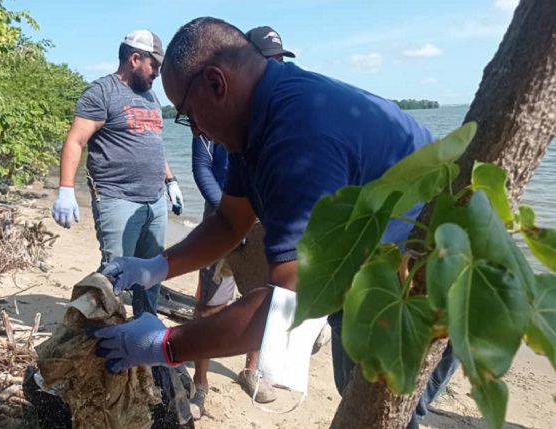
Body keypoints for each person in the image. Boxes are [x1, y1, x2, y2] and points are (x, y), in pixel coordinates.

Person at [89, 18, 458, 428]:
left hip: (422, 285)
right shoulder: (256, 120)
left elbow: (289, 303)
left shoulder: (297, 138)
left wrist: (167, 344)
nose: (194, 129)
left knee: (382, 414)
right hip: (356, 277)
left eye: (189, 114)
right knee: (351, 391)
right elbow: (231, 221)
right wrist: (156, 266)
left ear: (216, 82)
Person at [188, 25, 296, 419]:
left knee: (261, 297)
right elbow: (202, 170)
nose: (277, 68)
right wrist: (232, 215)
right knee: (210, 304)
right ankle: (199, 382)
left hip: (264, 225)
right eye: (271, 61)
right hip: (221, 220)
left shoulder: (280, 115)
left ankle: (252, 371)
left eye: (281, 61)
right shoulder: (215, 106)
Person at [51, 30, 184, 317]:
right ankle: (102, 334)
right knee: (116, 272)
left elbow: (154, 143)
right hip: (117, 198)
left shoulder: (150, 97)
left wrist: (170, 180)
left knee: (152, 273)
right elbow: (75, 141)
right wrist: (65, 189)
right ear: (135, 58)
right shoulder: (101, 92)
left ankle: (144, 330)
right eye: (155, 66)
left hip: (154, 201)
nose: (157, 74)